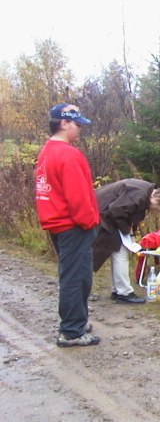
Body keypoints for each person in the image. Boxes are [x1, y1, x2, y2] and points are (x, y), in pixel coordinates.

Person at [35, 103, 101, 347]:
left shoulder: (47, 151)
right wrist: (90, 223)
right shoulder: (68, 154)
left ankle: (77, 321)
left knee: (73, 275)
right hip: (73, 225)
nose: (80, 129)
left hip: (57, 223)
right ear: (64, 124)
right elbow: (78, 196)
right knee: (77, 278)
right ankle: (72, 331)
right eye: (77, 124)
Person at [93, 179, 160, 303]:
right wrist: (127, 233)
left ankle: (118, 290)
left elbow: (130, 216)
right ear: (157, 199)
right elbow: (116, 211)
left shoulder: (144, 192)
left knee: (118, 252)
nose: (155, 211)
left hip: (102, 213)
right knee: (120, 252)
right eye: (158, 209)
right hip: (101, 215)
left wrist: (130, 234)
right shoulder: (138, 195)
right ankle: (124, 293)